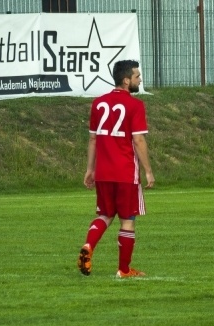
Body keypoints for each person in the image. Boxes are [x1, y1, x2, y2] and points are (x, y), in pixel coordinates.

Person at [77, 60, 155, 278]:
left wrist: (89, 169)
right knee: (128, 219)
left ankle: (88, 247)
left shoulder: (98, 103)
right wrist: (148, 171)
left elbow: (93, 139)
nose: (140, 80)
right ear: (126, 80)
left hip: (103, 172)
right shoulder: (135, 105)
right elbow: (138, 141)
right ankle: (124, 269)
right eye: (137, 77)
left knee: (105, 215)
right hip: (125, 172)